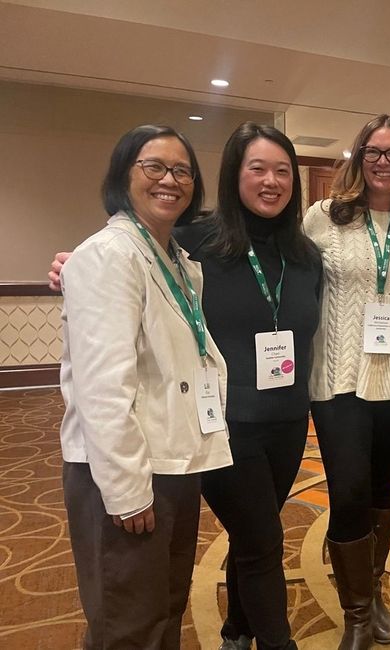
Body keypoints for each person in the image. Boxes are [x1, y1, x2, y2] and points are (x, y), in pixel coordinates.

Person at [51, 122, 320, 650]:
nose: (271, 180)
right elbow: (104, 368)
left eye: (283, 170)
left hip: (273, 423)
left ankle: (238, 630)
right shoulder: (194, 239)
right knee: (258, 541)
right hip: (221, 426)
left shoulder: (302, 256)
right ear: (230, 176)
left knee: (191, 579)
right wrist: (70, 266)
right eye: (257, 168)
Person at [58, 124, 232, 649]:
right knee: (127, 620)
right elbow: (103, 389)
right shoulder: (108, 255)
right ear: (123, 176)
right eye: (153, 167)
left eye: (182, 170)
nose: (170, 180)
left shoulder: (175, 259)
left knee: (163, 607)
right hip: (125, 471)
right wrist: (128, 492)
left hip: (173, 458)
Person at [302, 114, 390, 649]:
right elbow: (265, 258)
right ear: (357, 159)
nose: (384, 161)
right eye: (374, 152)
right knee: (349, 490)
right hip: (338, 380)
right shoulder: (321, 218)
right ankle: (356, 614)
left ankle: (372, 590)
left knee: (383, 489)